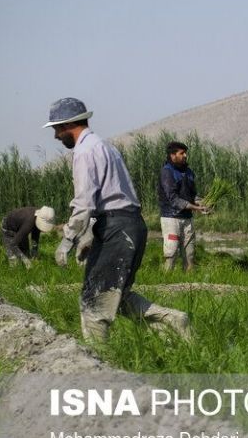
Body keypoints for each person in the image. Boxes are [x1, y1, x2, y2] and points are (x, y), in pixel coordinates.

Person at [45, 97, 190, 342]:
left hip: (117, 228)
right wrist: (93, 233)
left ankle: (99, 366)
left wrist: (67, 240)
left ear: (67, 126)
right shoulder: (105, 146)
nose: (56, 137)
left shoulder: (84, 152)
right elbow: (110, 196)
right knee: (117, 296)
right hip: (130, 225)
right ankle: (172, 321)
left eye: (57, 130)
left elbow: (84, 203)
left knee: (93, 303)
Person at [157, 140, 208, 271]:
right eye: (182, 153)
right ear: (173, 155)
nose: (185, 156)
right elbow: (173, 199)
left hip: (187, 218)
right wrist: (196, 208)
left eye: (185, 153)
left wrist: (202, 203)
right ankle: (166, 282)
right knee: (171, 252)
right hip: (171, 218)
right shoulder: (167, 172)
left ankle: (189, 284)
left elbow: (193, 195)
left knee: (190, 253)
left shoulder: (189, 172)